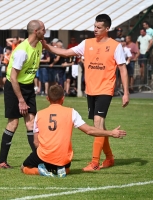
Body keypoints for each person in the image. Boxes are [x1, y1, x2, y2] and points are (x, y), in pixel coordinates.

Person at [42, 14, 129, 171]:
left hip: (105, 89)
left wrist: (126, 93)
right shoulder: (87, 43)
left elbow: (123, 69)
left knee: (97, 123)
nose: (95, 29)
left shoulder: (115, 46)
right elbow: (66, 52)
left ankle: (94, 163)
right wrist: (47, 47)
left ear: (107, 29)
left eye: (99, 27)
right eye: (94, 26)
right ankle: (109, 158)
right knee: (100, 126)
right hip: (91, 90)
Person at [21, 85, 127, 177]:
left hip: (45, 155)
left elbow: (35, 142)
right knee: (66, 169)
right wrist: (111, 133)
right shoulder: (71, 112)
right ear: (63, 98)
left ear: (48, 98)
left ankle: (40, 171)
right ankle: (62, 170)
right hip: (63, 158)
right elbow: (89, 130)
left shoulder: (39, 114)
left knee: (24, 167)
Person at [0, 20, 45, 169]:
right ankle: (1, 161)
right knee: (14, 122)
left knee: (31, 123)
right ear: (36, 31)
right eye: (43, 29)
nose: (45, 31)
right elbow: (13, 77)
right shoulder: (22, 51)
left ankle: (39, 159)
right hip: (14, 87)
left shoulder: (39, 45)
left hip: (28, 87)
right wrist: (21, 100)